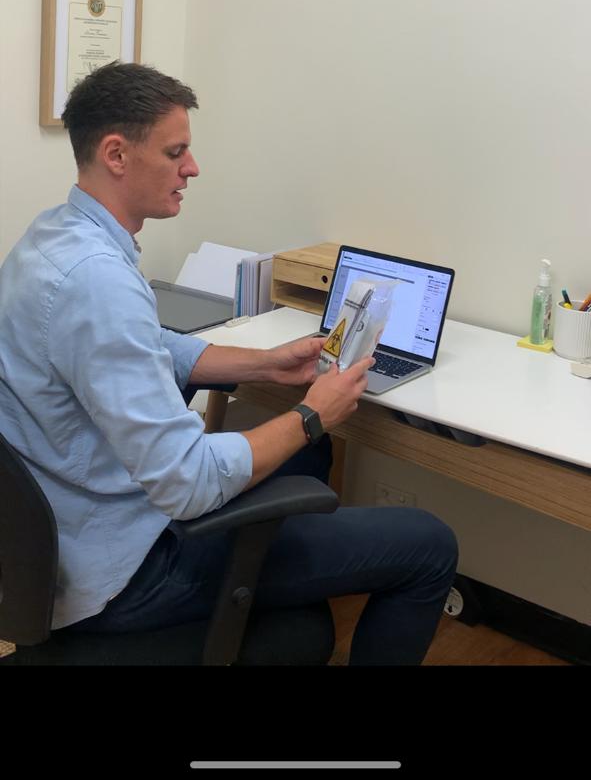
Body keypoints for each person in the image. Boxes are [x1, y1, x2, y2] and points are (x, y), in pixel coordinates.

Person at [0, 61, 457, 664]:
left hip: (63, 537)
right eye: (176, 151)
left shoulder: (52, 240)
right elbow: (187, 482)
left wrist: (267, 365)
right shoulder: (96, 281)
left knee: (308, 459)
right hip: (131, 572)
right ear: (116, 153)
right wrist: (312, 414)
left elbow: (149, 345)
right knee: (428, 543)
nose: (192, 168)